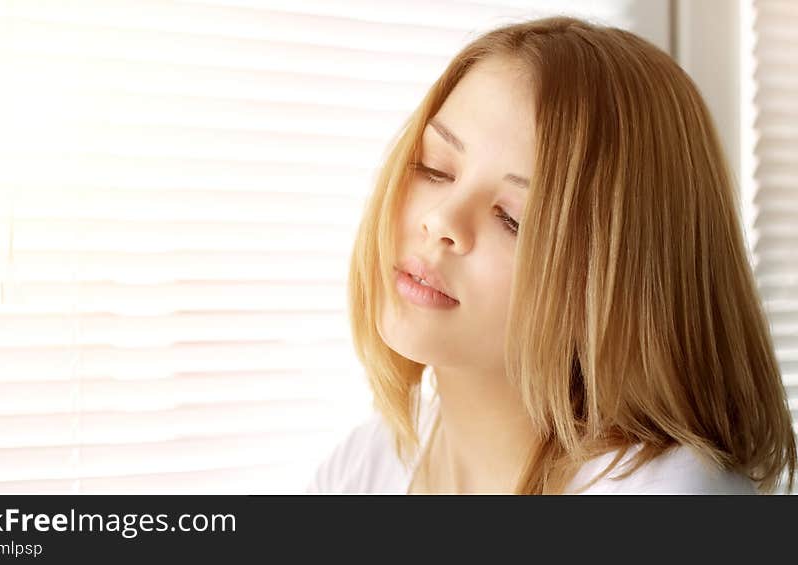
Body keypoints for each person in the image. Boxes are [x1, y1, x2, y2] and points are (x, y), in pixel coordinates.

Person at [306, 16, 796, 494]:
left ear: (612, 285)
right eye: (435, 169)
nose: (442, 221)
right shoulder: (366, 466)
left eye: (513, 219)